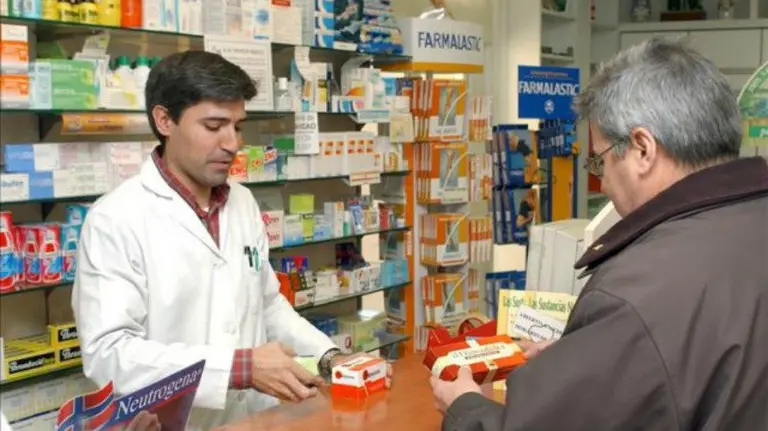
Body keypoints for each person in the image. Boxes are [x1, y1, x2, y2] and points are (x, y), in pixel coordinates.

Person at [431, 37, 768, 430]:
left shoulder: (637, 293)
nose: (602, 182)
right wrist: (594, 359)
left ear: (643, 149)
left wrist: (466, 407)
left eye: (599, 160)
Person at [72, 51, 372, 431]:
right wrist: (237, 368)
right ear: (164, 120)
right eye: (214, 126)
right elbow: (109, 354)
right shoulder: (116, 219)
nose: (232, 143)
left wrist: (329, 358)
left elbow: (267, 304)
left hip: (256, 418)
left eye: (237, 126)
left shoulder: (242, 201)